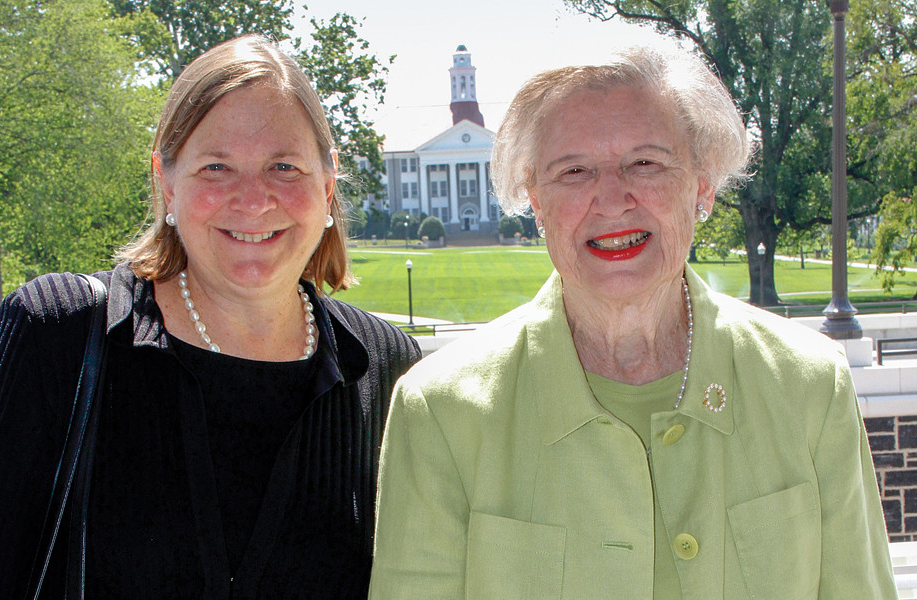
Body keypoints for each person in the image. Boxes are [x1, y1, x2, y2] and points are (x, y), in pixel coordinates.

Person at [368, 30, 897, 599]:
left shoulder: (809, 387)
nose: (613, 197)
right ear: (536, 201)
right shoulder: (442, 412)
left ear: (702, 185)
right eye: (574, 171)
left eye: (645, 162)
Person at [0, 34, 420, 599]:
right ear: (166, 181)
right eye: (216, 168)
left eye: (284, 166)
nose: (253, 200)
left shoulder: (389, 370)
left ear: (327, 186)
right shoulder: (58, 333)